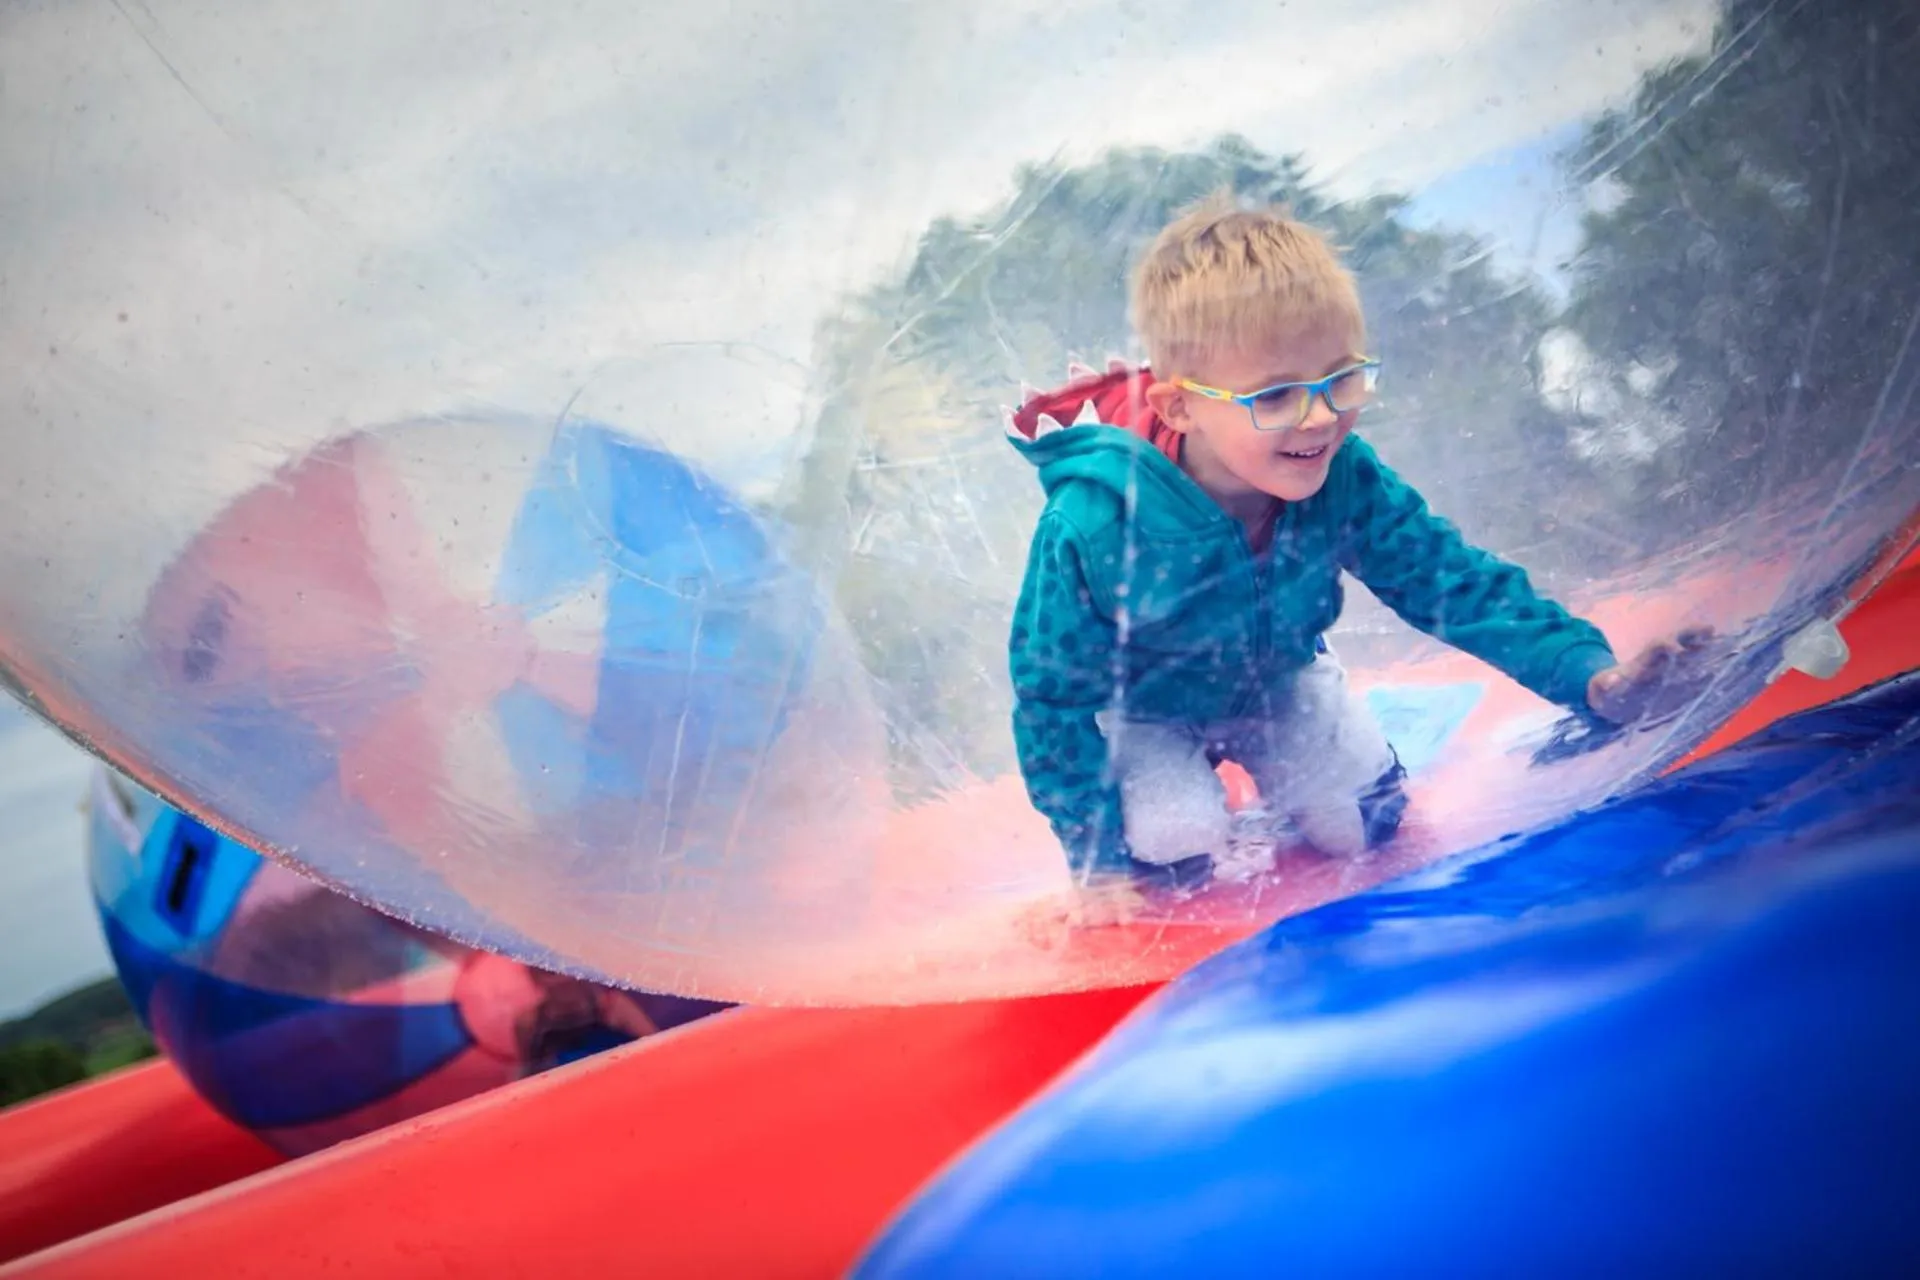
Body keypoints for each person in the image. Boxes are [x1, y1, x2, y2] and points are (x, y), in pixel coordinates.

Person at [1005, 194, 1709, 892]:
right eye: (1275, 397)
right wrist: (1093, 855)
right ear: (1180, 407)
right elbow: (1049, 692)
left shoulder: (1344, 474)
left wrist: (1589, 676)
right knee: (1170, 845)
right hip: (1144, 706)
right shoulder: (1096, 520)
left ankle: (1288, 755)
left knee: (1362, 824)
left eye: (1342, 379)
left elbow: (1451, 580)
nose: (1319, 418)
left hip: (1273, 674)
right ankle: (1172, 809)